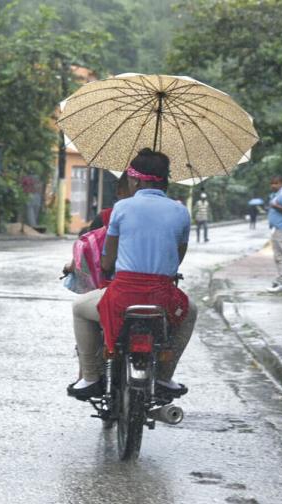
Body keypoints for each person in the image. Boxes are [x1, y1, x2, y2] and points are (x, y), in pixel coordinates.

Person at [68, 148, 197, 399]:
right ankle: (164, 377)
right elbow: (177, 258)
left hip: (123, 296)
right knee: (191, 312)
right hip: (163, 298)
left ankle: (91, 378)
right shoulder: (181, 211)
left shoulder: (122, 208)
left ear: (135, 180)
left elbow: (107, 262)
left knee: (79, 308)